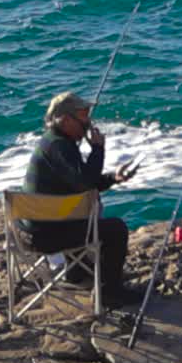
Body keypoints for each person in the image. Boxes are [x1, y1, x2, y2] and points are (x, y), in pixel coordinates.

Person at [21, 91, 139, 307]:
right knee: (116, 229)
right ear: (65, 120)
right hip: (46, 236)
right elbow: (87, 184)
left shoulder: (52, 142)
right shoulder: (61, 147)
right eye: (83, 117)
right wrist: (97, 149)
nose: (88, 122)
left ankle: (76, 272)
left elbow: (80, 182)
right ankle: (109, 292)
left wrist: (113, 177)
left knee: (85, 214)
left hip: (30, 230)